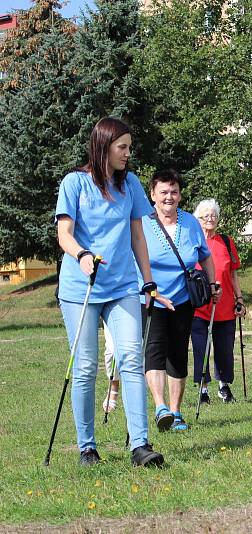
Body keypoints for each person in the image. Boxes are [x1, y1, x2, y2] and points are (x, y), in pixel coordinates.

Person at [55, 116, 166, 466]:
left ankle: (140, 445)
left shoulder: (130, 184)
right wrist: (82, 254)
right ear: (103, 146)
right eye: (122, 147)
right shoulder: (74, 183)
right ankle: (87, 447)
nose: (127, 154)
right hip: (81, 288)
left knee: (132, 359)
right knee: (86, 366)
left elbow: (138, 237)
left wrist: (147, 280)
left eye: (129, 148)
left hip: (121, 288)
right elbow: (64, 234)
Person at [140, 169, 218, 433]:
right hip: (152, 299)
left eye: (173, 192)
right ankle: (160, 407)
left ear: (180, 194)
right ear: (153, 194)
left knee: (177, 356)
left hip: (183, 300)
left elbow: (205, 255)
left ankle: (175, 412)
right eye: (163, 192)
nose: (169, 197)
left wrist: (212, 282)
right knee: (154, 353)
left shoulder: (191, 223)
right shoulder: (142, 223)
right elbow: (133, 259)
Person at [191, 198, 246, 404]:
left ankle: (224, 386)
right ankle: (203, 389)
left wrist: (239, 298)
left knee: (224, 348)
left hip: (225, 306)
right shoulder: (194, 241)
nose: (210, 219)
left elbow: (233, 274)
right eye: (206, 215)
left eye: (213, 215)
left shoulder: (226, 241)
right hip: (199, 306)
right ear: (199, 219)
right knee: (201, 347)